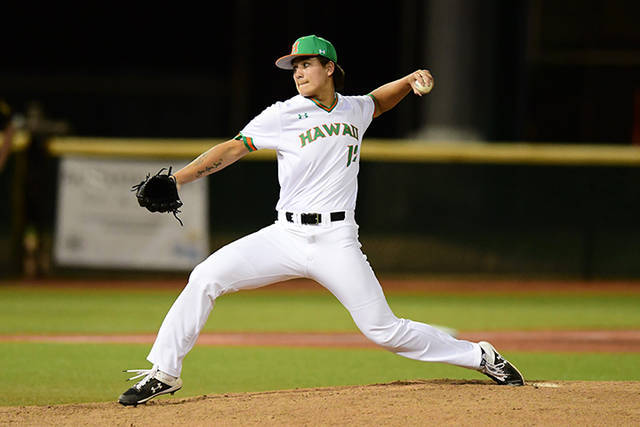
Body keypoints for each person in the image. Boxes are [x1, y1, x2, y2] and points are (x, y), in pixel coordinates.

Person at [118, 35, 524, 406]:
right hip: (285, 235)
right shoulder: (282, 114)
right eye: (293, 67)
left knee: (383, 330)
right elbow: (233, 148)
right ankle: (165, 372)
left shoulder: (354, 109)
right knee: (205, 277)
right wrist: (179, 179)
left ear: (329, 68)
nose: (297, 72)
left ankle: (479, 354)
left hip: (336, 239)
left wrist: (407, 80)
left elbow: (378, 101)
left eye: (305, 64)